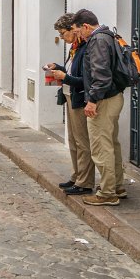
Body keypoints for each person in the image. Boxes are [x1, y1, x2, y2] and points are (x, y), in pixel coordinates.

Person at [71, 9, 126, 206]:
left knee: (101, 147)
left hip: (103, 100)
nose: (78, 35)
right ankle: (117, 186)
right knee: (111, 144)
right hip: (112, 97)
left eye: (78, 31)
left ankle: (107, 193)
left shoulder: (97, 40)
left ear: (86, 26)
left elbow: (101, 75)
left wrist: (92, 100)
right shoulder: (108, 36)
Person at [46, 14, 95, 196]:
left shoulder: (85, 48)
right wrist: (59, 68)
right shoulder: (74, 48)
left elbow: (85, 80)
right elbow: (72, 71)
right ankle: (76, 176)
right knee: (73, 141)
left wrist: (64, 77)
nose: (61, 37)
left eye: (62, 33)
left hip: (79, 99)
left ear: (73, 30)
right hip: (70, 96)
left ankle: (85, 182)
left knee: (82, 142)